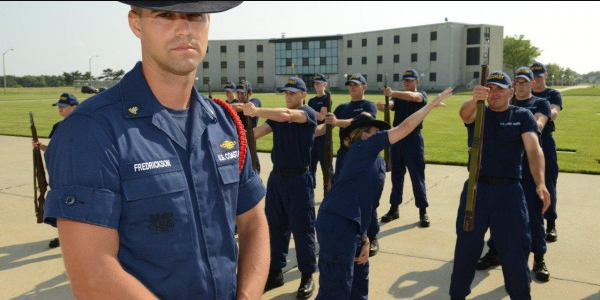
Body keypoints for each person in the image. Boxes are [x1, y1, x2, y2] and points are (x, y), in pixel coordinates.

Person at [43, 2, 270, 299]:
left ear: (208, 24)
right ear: (136, 23)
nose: (184, 28)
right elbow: (93, 276)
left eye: (195, 16)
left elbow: (253, 223)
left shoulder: (223, 123)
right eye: (165, 15)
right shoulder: (91, 130)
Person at [316, 87, 453, 299]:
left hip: (354, 225)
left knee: (359, 283)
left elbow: (367, 201)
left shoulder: (377, 160)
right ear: (363, 135)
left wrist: (365, 237)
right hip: (337, 225)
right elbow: (405, 127)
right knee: (336, 290)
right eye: (374, 130)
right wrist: (432, 103)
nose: (379, 133)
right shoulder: (363, 147)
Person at [449, 71, 550, 300]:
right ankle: (457, 295)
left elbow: (534, 150)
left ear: (510, 92)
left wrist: (540, 183)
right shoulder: (480, 112)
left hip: (509, 192)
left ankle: (520, 296)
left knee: (515, 250)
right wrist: (475, 99)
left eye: (500, 89)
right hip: (476, 190)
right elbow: (464, 115)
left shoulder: (522, 115)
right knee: (467, 248)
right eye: (491, 88)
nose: (495, 93)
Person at [475, 67, 553, 282]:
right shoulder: (506, 106)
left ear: (532, 84)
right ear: (513, 88)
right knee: (498, 214)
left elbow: (538, 125)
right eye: (517, 83)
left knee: (534, 213)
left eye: (524, 82)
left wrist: (521, 123)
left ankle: (539, 257)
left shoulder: (538, 104)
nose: (520, 86)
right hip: (509, 168)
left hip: (530, 167)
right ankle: (495, 250)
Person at [243, 77, 317, 299]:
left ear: (304, 94)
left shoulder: (307, 113)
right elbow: (255, 135)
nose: (288, 96)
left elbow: (286, 115)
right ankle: (275, 271)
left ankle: (307, 275)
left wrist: (256, 110)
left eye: (293, 93)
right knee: (275, 228)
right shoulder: (277, 117)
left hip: (299, 180)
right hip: (277, 179)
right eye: (286, 93)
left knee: (302, 229)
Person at [325, 73, 381, 257]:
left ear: (364, 86)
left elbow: (361, 122)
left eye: (356, 85)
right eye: (350, 85)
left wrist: (337, 122)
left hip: (364, 157)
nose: (352, 88)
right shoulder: (342, 107)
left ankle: (371, 235)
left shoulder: (368, 106)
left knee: (366, 197)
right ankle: (346, 230)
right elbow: (327, 126)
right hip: (345, 156)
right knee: (342, 193)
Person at [378, 69, 435, 227]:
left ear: (417, 81)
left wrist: (393, 93)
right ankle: (394, 208)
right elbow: (391, 105)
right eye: (405, 80)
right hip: (397, 138)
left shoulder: (420, 95)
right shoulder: (399, 98)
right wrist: (384, 105)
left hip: (413, 139)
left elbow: (414, 97)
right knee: (397, 175)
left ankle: (422, 210)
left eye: (410, 80)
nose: (407, 83)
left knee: (417, 176)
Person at [32, 92, 79, 248]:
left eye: (63, 107)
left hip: (77, 173)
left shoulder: (85, 125)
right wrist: (42, 147)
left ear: (74, 107)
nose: (59, 109)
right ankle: (65, 236)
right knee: (61, 206)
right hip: (60, 174)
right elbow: (55, 149)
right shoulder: (58, 126)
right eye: (58, 106)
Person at [530, 62, 563, 243]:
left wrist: (544, 112)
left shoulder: (552, 94)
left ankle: (550, 224)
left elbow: (555, 112)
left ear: (546, 75)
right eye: (533, 76)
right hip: (525, 142)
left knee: (548, 181)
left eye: (539, 76)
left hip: (545, 140)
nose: (536, 79)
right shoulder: (525, 94)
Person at [307, 73, 334, 191]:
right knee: (310, 168)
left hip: (323, 137)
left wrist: (309, 109)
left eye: (319, 83)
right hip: (312, 138)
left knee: (326, 168)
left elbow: (322, 117)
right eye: (315, 83)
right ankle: (310, 191)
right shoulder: (311, 100)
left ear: (325, 84)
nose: (316, 85)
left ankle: (328, 192)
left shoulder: (326, 98)